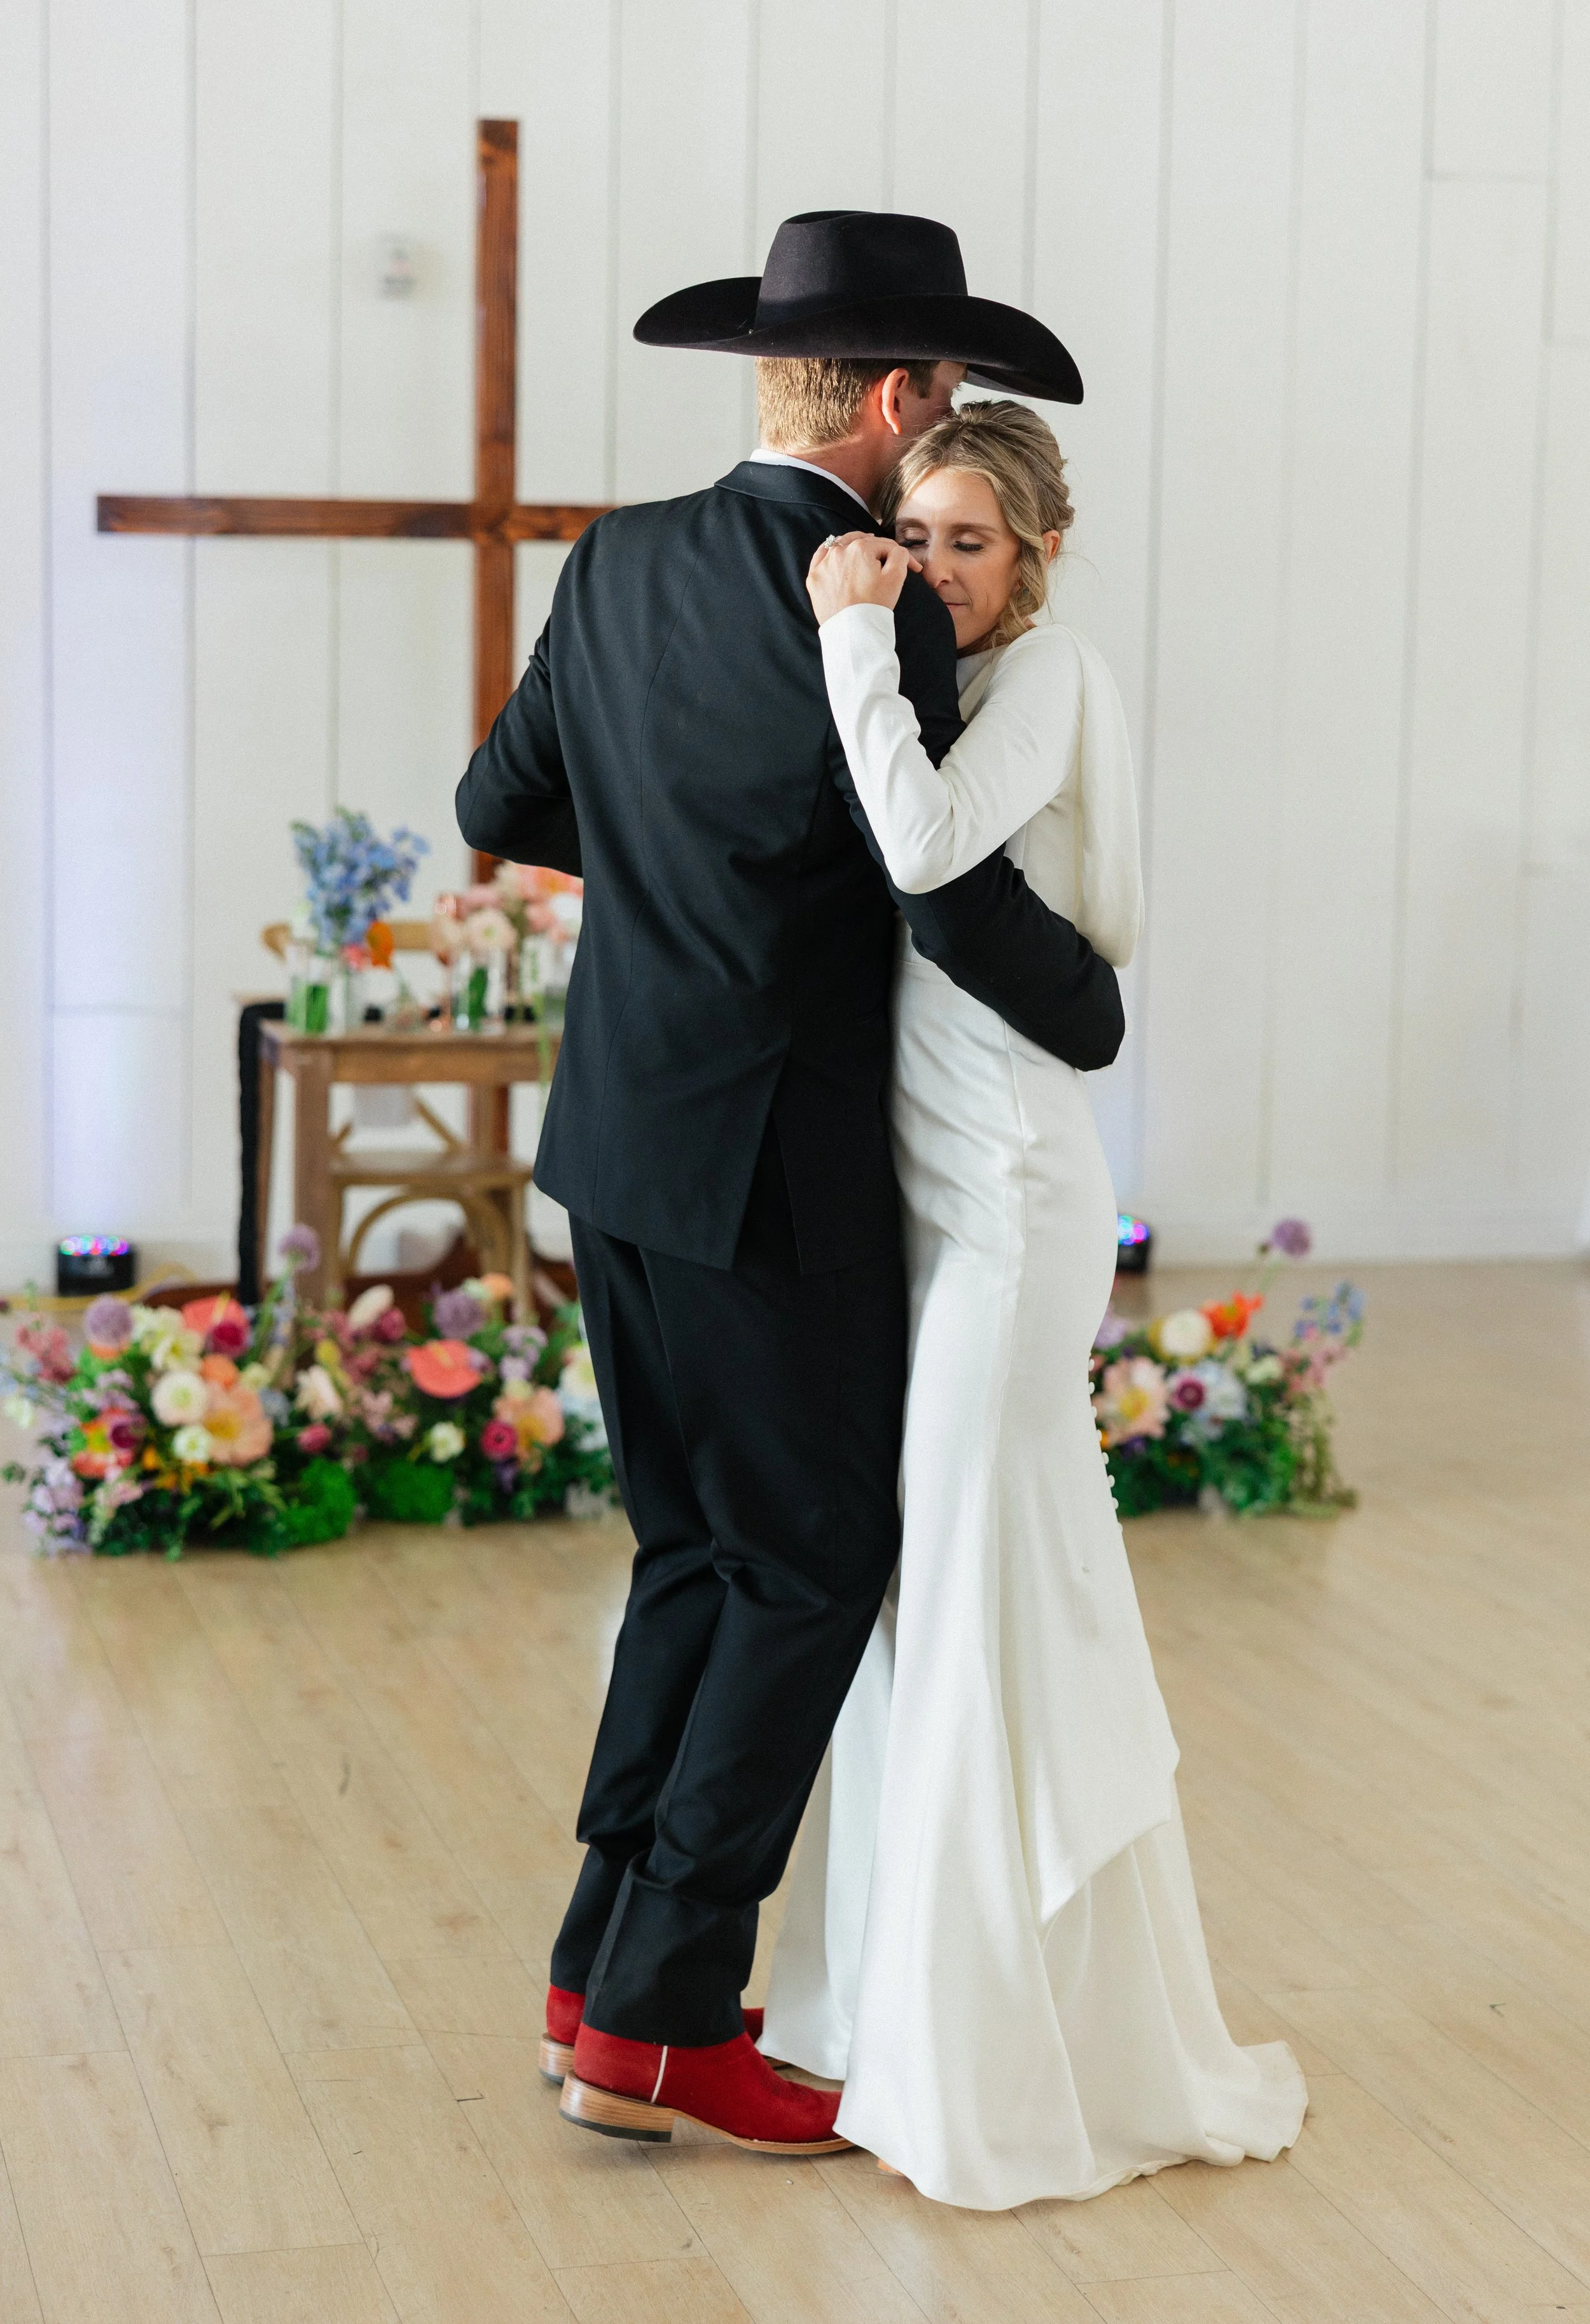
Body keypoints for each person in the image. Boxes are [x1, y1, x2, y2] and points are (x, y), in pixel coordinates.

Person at [455, 211, 1121, 2156]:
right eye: (947, 398)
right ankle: (659, 2016)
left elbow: (502, 806)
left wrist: (663, 857)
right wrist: (1082, 1005)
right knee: (811, 1557)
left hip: (616, 1143)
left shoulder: (618, 556)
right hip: (774, 1168)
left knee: (692, 1552)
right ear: (901, 392)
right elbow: (925, 864)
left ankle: (601, 1964)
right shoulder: (875, 604)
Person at [762, 400, 1308, 2206]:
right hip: (926, 1198)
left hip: (1006, 1194)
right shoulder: (956, 683)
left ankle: (991, 2052)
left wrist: (847, 626)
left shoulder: (1045, 673)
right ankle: (906, 2009)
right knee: (937, 1596)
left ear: (1037, 554)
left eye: (961, 541)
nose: (926, 568)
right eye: (906, 536)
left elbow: (924, 854)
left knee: (983, 1590)